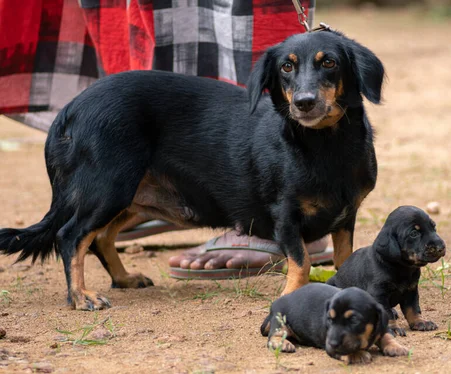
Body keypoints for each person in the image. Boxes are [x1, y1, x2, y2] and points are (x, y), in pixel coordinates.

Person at [0, 0, 332, 279]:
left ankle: (137, 206)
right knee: (109, 193)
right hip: (125, 119)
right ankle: (127, 207)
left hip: (146, 112)